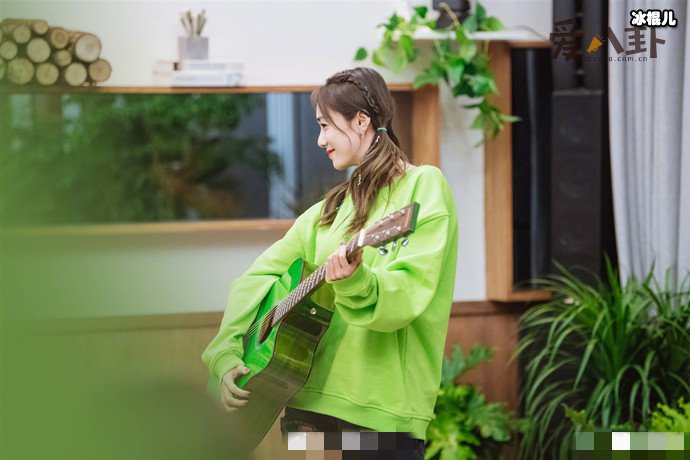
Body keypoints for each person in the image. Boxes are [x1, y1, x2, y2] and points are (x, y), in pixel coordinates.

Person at [201, 66, 458, 459]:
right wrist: (226, 351)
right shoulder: (330, 209)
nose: (320, 140)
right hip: (304, 404)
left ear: (361, 121)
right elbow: (254, 279)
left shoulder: (424, 186)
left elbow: (406, 297)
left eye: (325, 125)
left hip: (380, 413)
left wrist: (355, 281)